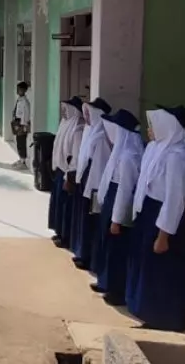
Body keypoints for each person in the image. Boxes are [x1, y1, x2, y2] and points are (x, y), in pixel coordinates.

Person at [126, 106, 185, 332]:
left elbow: (174, 199)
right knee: (151, 271)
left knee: (164, 274)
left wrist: (163, 235)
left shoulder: (176, 157)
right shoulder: (159, 150)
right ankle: (153, 318)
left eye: (155, 124)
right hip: (151, 215)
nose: (150, 129)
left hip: (164, 220)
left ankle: (166, 321)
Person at [94, 109, 143, 306]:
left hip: (120, 206)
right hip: (112, 201)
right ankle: (106, 282)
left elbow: (124, 190)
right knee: (108, 246)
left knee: (118, 250)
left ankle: (117, 290)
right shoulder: (120, 153)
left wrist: (117, 219)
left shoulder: (129, 157)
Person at [71, 98, 112, 271]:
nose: (86, 116)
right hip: (86, 181)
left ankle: (88, 257)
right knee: (84, 220)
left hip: (94, 186)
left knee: (91, 222)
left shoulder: (102, 136)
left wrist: (93, 191)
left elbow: (99, 167)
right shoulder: (91, 132)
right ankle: (82, 252)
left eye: (90, 113)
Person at [56, 97, 86, 248]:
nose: (63, 111)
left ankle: (66, 236)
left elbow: (76, 156)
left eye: (66, 108)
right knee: (59, 204)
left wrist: (69, 174)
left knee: (67, 206)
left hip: (69, 173)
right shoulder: (65, 124)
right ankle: (59, 232)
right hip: (61, 170)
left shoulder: (77, 129)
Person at [11, 81, 31, 170]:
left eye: (20, 89)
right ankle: (20, 158)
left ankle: (23, 161)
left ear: (24, 90)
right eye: (17, 89)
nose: (18, 91)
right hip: (17, 122)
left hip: (21, 124)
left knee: (21, 142)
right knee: (18, 141)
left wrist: (23, 126)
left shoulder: (25, 102)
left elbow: (25, 115)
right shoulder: (19, 100)